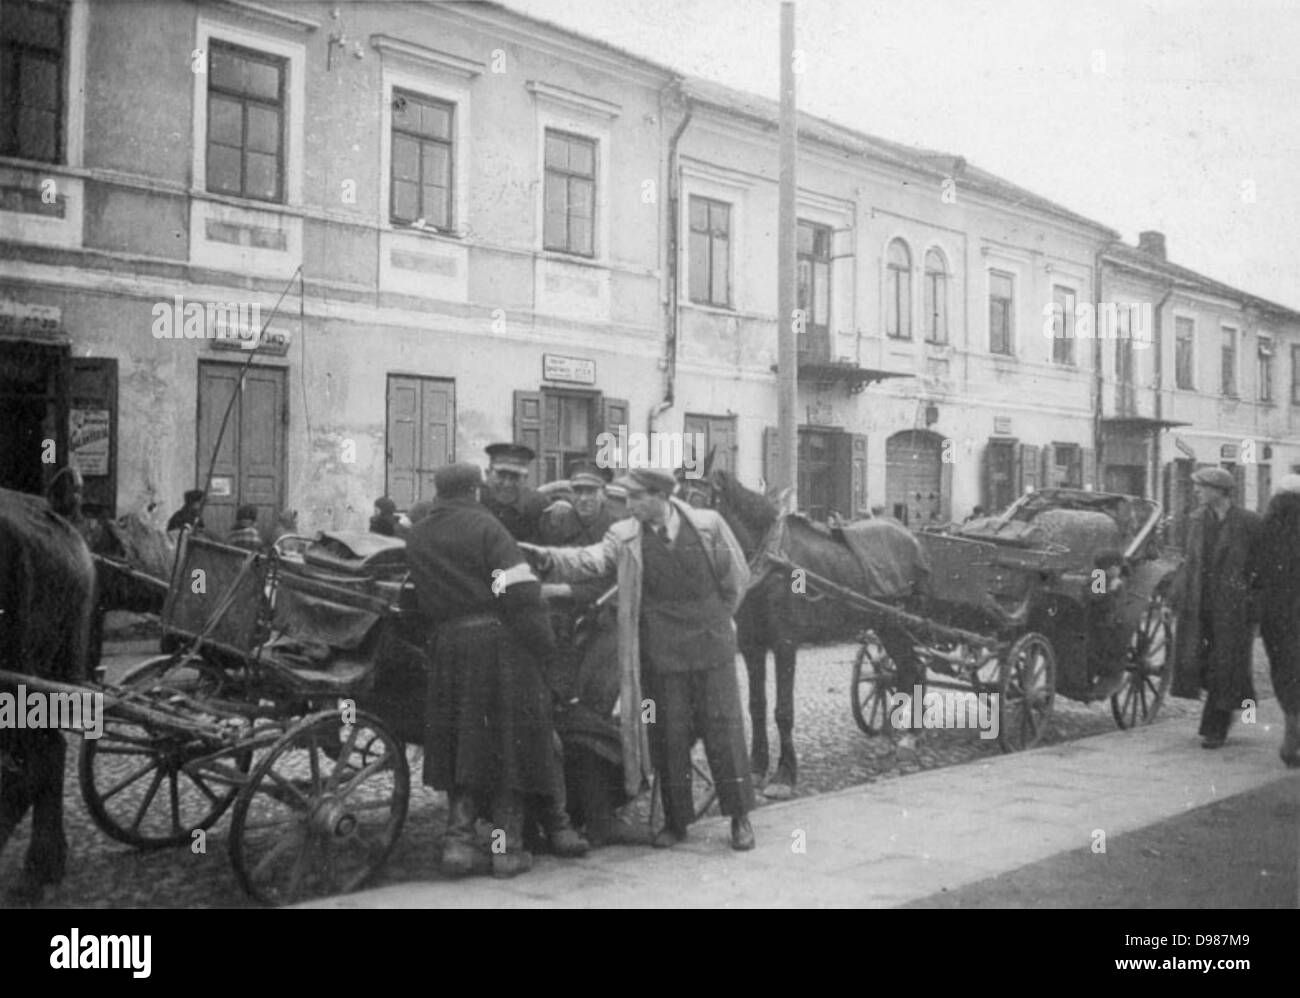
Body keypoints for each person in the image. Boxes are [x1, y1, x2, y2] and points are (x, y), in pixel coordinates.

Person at [524, 467, 757, 851]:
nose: (627, 505)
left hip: (711, 644)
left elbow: (736, 577)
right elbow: (591, 560)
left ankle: (739, 819)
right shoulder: (625, 534)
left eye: (634, 498)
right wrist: (548, 558)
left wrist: (716, 618)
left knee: (724, 730)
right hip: (659, 652)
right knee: (668, 734)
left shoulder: (708, 526)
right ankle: (676, 821)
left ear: (659, 497)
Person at [405, 462, 584, 879]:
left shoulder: (419, 534)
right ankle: (507, 849)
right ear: (476, 489)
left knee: (463, 745)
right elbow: (517, 591)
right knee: (511, 746)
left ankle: (459, 844)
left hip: (449, 649)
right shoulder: (486, 529)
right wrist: (544, 645)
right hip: (499, 647)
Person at [1170, 467, 1262, 749]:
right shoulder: (1196, 520)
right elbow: (1188, 563)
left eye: (1202, 486)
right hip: (1200, 605)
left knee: (1225, 665)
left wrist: (1255, 608)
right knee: (1206, 664)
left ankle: (1216, 728)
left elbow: (1262, 568)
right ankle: (1236, 704)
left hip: (1234, 608)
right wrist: (1173, 600)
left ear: (1219, 490)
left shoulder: (1249, 522)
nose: (1196, 491)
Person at [1249, 473, 1300, 767]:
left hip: (1275, 614)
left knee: (1283, 670)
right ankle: (1292, 738)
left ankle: (1291, 731)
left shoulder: (1265, 527)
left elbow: (1254, 569)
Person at [481, 442, 549, 542]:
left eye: (515, 477)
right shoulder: (474, 501)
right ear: (487, 474)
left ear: (525, 479)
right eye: (501, 475)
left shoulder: (537, 506)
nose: (507, 484)